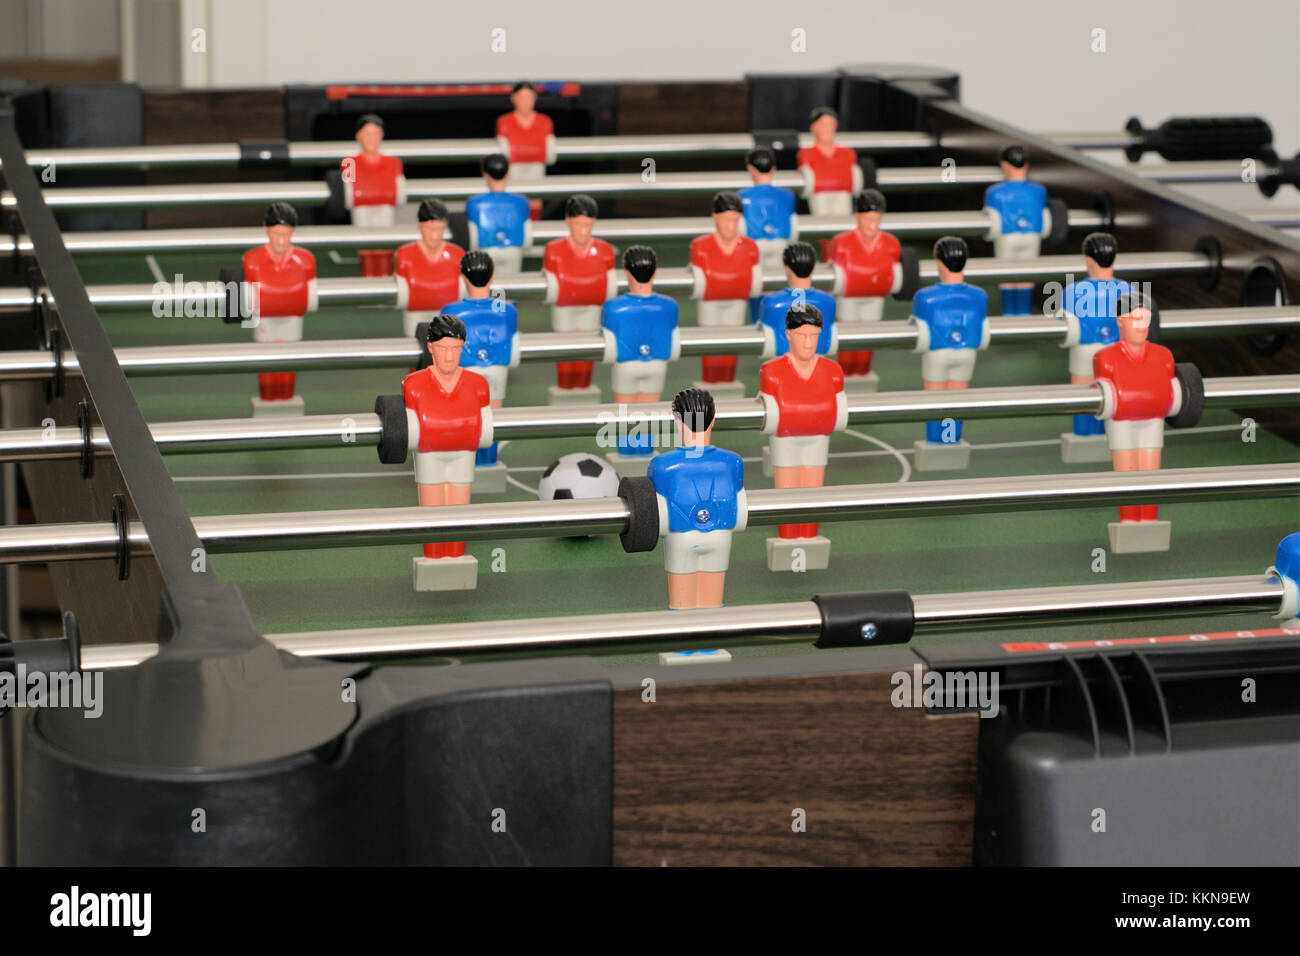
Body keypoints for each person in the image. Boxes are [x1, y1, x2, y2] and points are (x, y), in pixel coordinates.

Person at [402, 314, 493, 585]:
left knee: (458, 507)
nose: (450, 356)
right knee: (432, 509)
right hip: (430, 452)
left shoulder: (479, 385)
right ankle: (433, 558)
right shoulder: (413, 385)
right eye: (443, 348)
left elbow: (486, 422)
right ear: (430, 347)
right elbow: (409, 425)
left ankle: (455, 556)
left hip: (463, 452)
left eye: (456, 348)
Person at [647, 388, 747, 610]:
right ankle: (709, 644)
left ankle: (686, 643)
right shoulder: (733, 462)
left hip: (681, 538)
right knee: (712, 601)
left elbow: (656, 507)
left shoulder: (663, 465)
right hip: (720, 536)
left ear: (678, 423)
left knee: (682, 603)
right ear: (713, 422)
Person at [1093, 291, 1180, 537]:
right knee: (1127, 474)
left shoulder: (1164, 357)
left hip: (1153, 421)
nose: (1141, 327)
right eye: (1135, 319)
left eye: (1145, 319)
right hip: (1121, 422)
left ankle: (1149, 522)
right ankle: (1129, 523)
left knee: (1151, 474)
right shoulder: (1105, 359)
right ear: (1120, 321)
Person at [758, 305, 846, 546]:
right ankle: (788, 538)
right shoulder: (771, 371)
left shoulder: (833, 371)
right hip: (786, 438)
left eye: (814, 336)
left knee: (813, 491)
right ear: (788, 334)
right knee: (787, 492)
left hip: (818, 437)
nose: (808, 343)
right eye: (802, 335)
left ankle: (807, 537)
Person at [441, 251, 520, 468]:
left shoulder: (451, 311)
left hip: (464, 370)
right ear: (492, 276)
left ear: (463, 278)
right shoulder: (508, 311)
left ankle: (467, 460)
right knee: (493, 414)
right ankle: (488, 460)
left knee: (465, 414)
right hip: (497, 369)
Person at [600, 245, 679, 458]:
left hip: (626, 365)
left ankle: (626, 453)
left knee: (625, 412)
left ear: (626, 271)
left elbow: (607, 338)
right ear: (655, 270)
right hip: (657, 365)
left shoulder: (613, 307)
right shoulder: (669, 306)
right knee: (649, 411)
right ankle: (644, 451)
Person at [909, 236, 989, 449]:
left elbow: (916, 330)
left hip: (937, 354)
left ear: (938, 261)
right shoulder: (979, 296)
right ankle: (950, 439)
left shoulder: (925, 297)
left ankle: (935, 440)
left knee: (935, 401)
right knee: (957, 401)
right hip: (967, 354)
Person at [242, 201, 317, 414]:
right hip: (265, 319)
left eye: (286, 234)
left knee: (289, 362)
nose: (282, 240)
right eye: (277, 234)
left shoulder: (306, 260)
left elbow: (310, 294)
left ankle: (285, 401)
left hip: (292, 319)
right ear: (267, 231)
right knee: (267, 363)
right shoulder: (252, 260)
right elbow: (245, 298)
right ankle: (268, 401)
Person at [542, 194, 618, 397]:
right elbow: (553, 285)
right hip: (565, 308)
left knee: (588, 349)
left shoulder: (605, 251)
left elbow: (609, 285)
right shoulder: (553, 250)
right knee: (565, 349)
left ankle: (583, 388)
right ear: (568, 222)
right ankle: (566, 389)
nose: (583, 231)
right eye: (578, 225)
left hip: (591, 307)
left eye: (588, 225)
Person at [1056, 232, 1130, 440]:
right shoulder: (1127, 289)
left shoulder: (1073, 291)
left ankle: (1081, 433)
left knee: (1082, 391)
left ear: (1088, 260)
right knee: (1108, 392)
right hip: (1116, 350)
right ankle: (1101, 433)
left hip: (1084, 349)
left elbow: (1064, 325)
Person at [689, 191, 761, 386]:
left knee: (731, 347)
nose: (731, 226)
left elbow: (755, 280)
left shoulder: (750, 247)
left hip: (736, 302)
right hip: (710, 303)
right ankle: (710, 384)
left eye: (735, 220)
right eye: (726, 220)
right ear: (715, 218)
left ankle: (728, 383)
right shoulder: (700, 246)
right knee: (710, 347)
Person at [830, 188, 902, 383]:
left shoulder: (891, 244)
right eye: (867, 219)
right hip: (849, 297)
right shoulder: (841, 243)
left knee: (868, 339)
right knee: (846, 337)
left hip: (874, 297)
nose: (872, 225)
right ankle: (844, 376)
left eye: (877, 220)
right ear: (857, 216)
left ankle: (862, 374)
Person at [983, 144, 1050, 315]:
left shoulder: (995, 193)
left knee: (1006, 276)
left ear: (1005, 166)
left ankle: (1009, 315)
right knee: (1026, 277)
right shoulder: (1039, 191)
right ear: (1026, 165)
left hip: (1007, 237)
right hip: (1032, 237)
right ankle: (1023, 314)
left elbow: (990, 220)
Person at [344, 114, 406, 277]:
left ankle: (385, 277)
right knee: (365, 245)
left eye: (375, 133)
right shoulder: (349, 162)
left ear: (381, 135)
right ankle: (368, 279)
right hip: (362, 209)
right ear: (359, 136)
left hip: (385, 207)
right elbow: (347, 193)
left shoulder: (393, 162)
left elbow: (400, 192)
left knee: (384, 244)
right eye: (367, 134)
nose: (371, 139)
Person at [394, 198, 465, 337]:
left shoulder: (457, 255)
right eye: (429, 229)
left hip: (449, 315)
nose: (434, 235)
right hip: (416, 316)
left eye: (439, 229)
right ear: (420, 226)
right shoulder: (404, 255)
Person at [755, 241, 836, 358]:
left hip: (783, 363)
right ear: (813, 267)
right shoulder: (828, 301)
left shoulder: (771, 302)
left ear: (787, 268)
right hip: (817, 362)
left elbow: (764, 337)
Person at [465, 153, 532, 275]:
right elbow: (527, 237)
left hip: (485, 249)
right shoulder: (522, 202)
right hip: (513, 250)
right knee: (509, 286)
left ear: (485, 174)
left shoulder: (474, 203)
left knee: (489, 287)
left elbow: (472, 237)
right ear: (507, 174)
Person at [739, 146, 797, 272]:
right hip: (781, 242)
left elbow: (740, 229)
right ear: (773, 168)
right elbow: (793, 229)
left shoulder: (742, 197)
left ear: (750, 169)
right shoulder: (787, 196)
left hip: (754, 244)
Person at [797, 106, 860, 217]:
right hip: (819, 195)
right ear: (813, 127)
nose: (827, 129)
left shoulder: (847, 153)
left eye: (831, 124)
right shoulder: (806, 153)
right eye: (823, 125)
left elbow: (854, 178)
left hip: (843, 195)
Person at [495, 81, 556, 183]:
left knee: (536, 193)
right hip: (513, 170)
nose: (525, 102)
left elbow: (550, 154)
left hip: (537, 168)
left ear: (534, 98)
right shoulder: (504, 121)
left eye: (529, 97)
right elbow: (504, 152)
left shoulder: (545, 121)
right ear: (513, 98)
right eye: (522, 97)